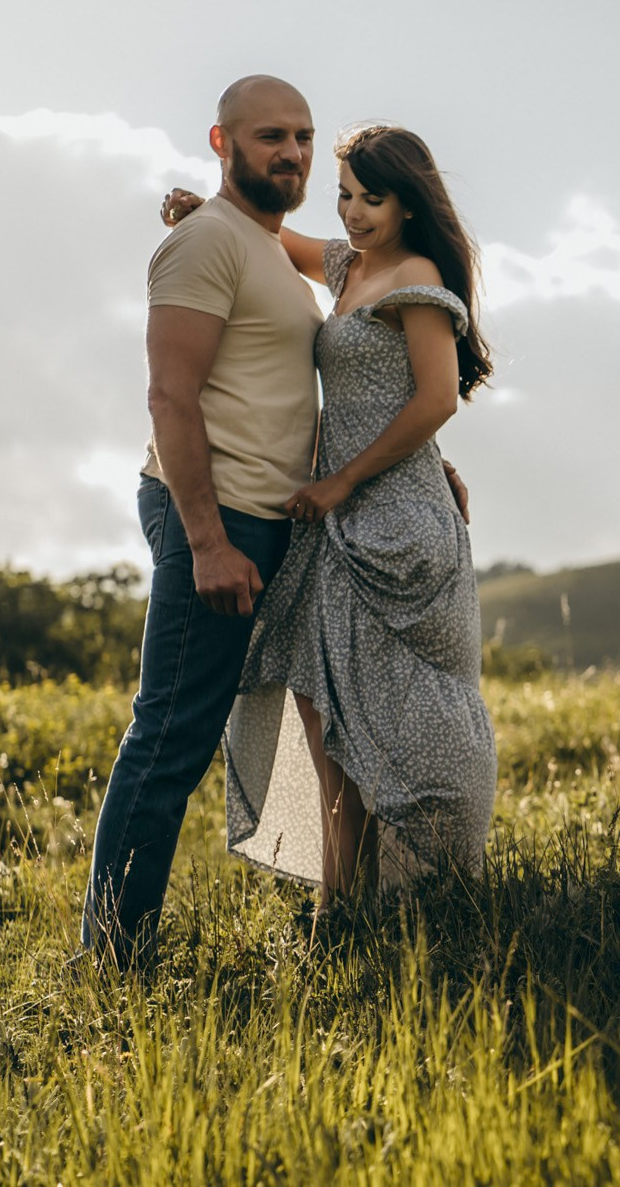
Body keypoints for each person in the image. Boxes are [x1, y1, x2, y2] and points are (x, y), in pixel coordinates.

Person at [82, 76, 463, 967]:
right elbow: (170, 397)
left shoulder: (267, 250)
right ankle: (110, 957)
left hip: (277, 520)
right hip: (219, 518)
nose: (291, 153)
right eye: (269, 137)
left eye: (302, 136)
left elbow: (315, 394)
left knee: (292, 717)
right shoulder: (207, 244)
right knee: (170, 733)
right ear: (223, 144)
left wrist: (421, 463)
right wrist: (207, 540)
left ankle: (353, 907)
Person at [163, 125, 497, 907]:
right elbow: (272, 243)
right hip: (331, 523)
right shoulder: (351, 265)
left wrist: (343, 479)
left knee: (395, 709)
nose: (351, 211)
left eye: (371, 198)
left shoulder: (415, 277)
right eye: (344, 193)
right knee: (324, 710)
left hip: (393, 521)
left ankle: (410, 894)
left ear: (411, 203)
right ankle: (338, 905)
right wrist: (202, 212)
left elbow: (437, 397)